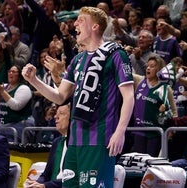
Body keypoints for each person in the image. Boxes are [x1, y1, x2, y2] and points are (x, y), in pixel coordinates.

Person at [22, 6, 134, 188]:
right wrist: (34, 80)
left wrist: (120, 132)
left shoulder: (116, 55)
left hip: (100, 138)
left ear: (95, 27)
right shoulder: (78, 60)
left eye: (81, 20)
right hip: (74, 140)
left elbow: (129, 97)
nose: (75, 24)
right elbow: (60, 97)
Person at [131, 55, 177, 157]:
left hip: (155, 133)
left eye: (152, 66)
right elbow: (126, 74)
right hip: (139, 131)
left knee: (151, 165)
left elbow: (174, 112)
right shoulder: (139, 81)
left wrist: (171, 129)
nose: (148, 68)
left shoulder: (165, 88)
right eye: (148, 66)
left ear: (159, 69)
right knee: (138, 164)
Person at [24, 104, 70, 188]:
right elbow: (45, 175)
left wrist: (45, 185)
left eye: (62, 113)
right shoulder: (56, 142)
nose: (56, 116)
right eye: (56, 113)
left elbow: (70, 178)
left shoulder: (77, 144)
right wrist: (36, 183)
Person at [0, 65, 33, 142]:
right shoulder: (4, 86)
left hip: (19, 126)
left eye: (14, 71)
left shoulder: (24, 88)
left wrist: (2, 92)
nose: (11, 73)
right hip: (3, 126)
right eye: (9, 71)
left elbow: (16, 106)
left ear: (19, 75)